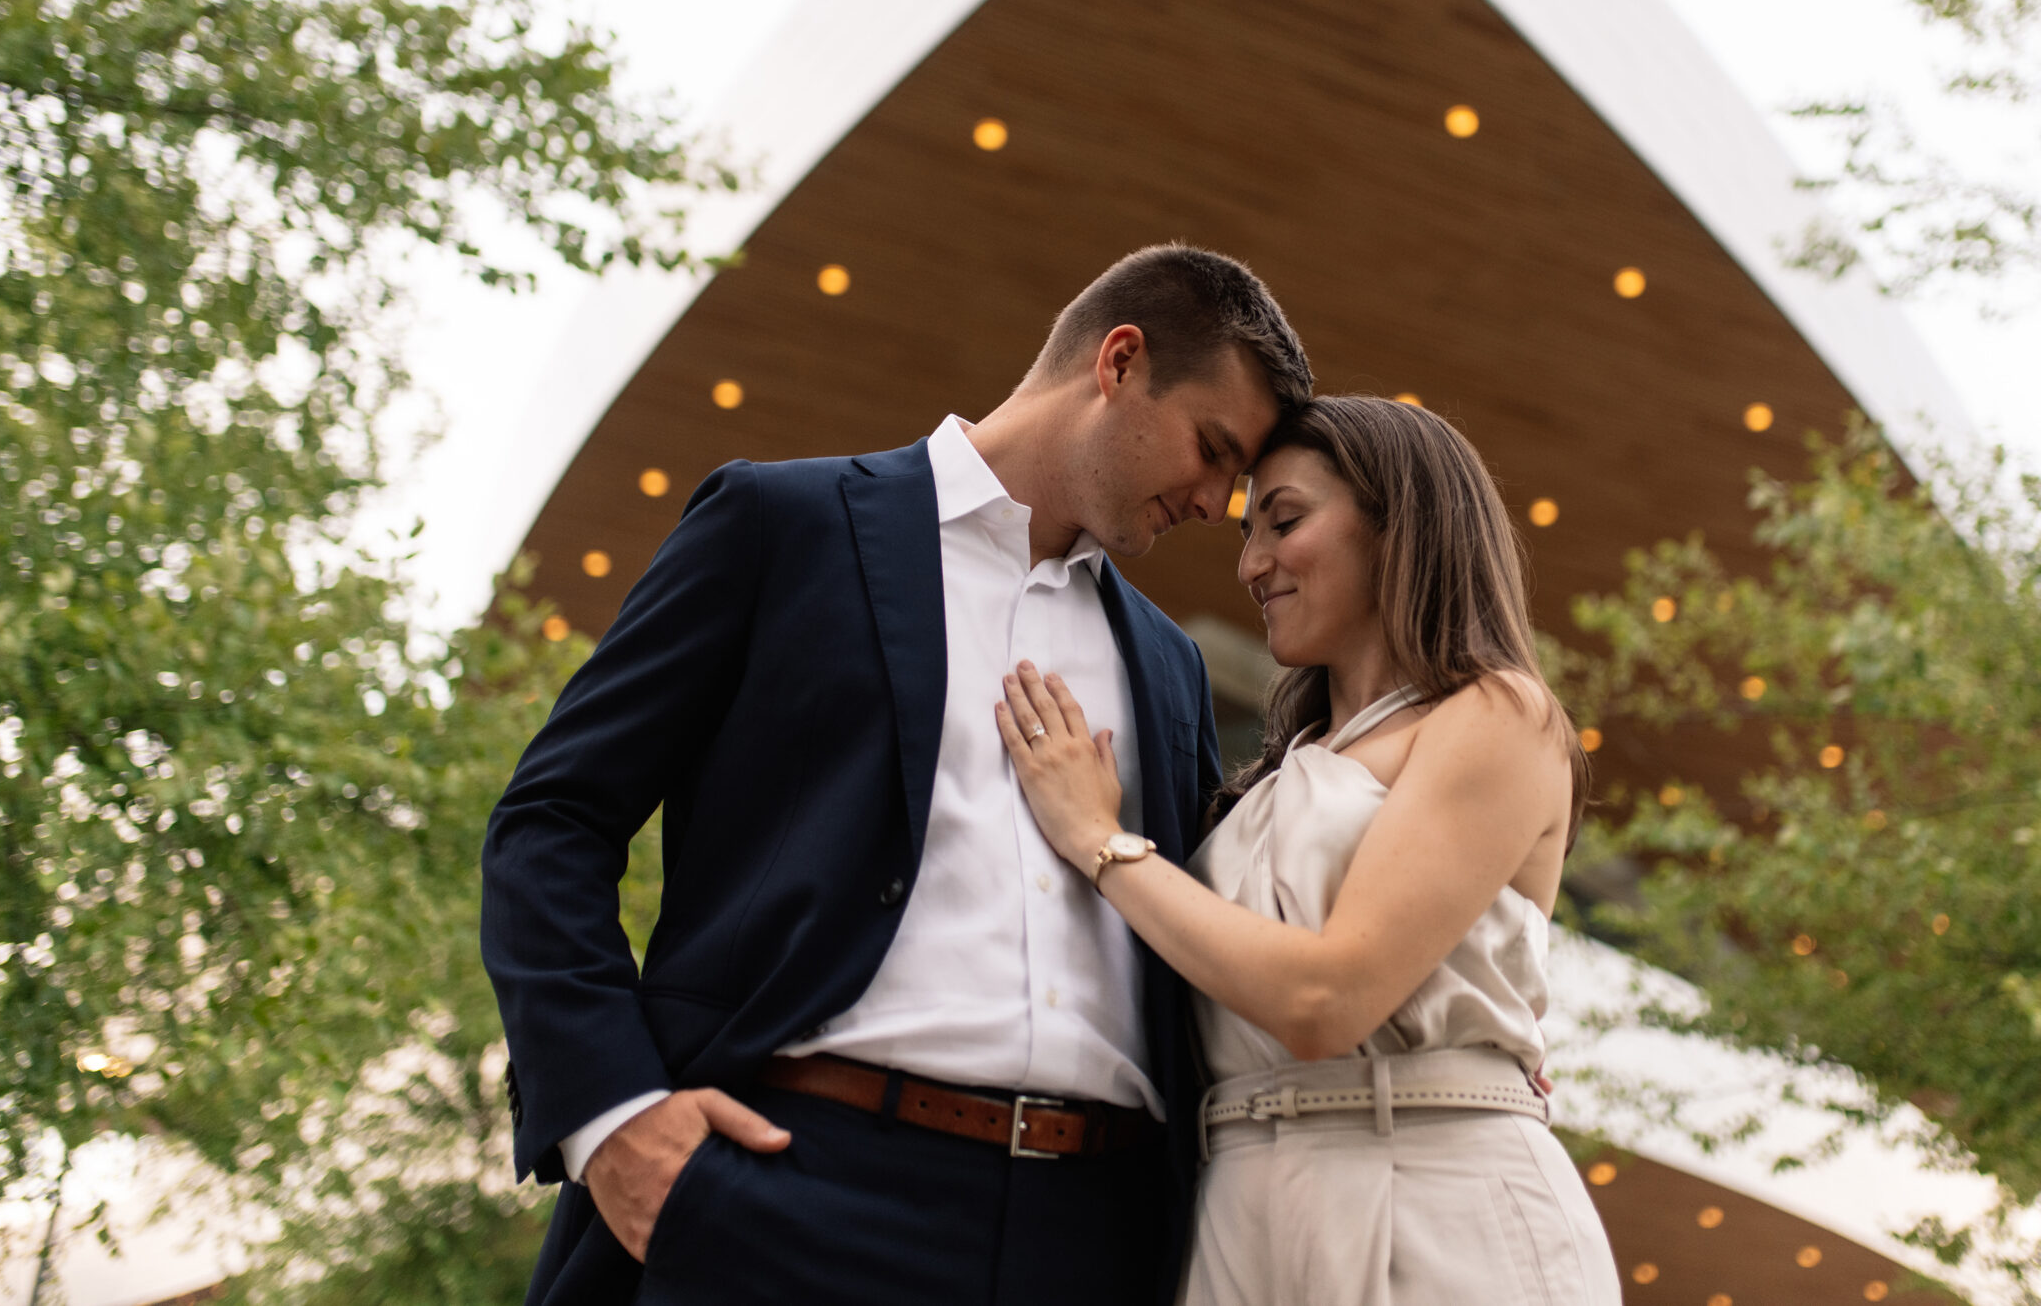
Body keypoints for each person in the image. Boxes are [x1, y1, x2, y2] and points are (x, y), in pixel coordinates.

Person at [480, 244, 1313, 1306]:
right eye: (1212, 449)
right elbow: (551, 820)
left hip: (1095, 1238)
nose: (1215, 501)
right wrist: (614, 1122)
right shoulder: (779, 528)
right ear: (1118, 363)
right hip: (791, 1194)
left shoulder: (1169, 663)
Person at [995, 395, 1622, 1305]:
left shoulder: (1494, 714)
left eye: (1284, 520)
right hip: (1237, 1206)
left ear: (1399, 524)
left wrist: (1099, 839)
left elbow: (1327, 998)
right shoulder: (1272, 777)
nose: (1251, 563)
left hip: (1436, 1193)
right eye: (1251, 532)